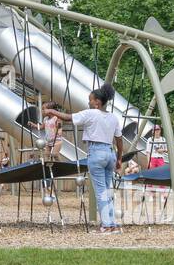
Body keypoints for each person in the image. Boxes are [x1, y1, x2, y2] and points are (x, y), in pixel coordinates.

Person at [44, 83, 124, 233]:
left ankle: (107, 225)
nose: (89, 102)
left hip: (96, 152)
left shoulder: (90, 113)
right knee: (108, 190)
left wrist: (52, 111)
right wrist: (119, 159)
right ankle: (112, 223)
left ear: (97, 103)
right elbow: (119, 140)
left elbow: (68, 118)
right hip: (110, 152)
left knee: (100, 191)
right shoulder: (113, 118)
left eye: (91, 100)